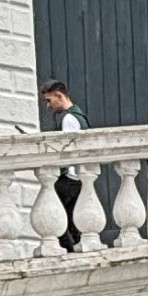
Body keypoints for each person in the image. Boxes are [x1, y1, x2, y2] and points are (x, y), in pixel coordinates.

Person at [40, 79, 87, 247]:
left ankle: (68, 250)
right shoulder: (79, 115)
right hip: (78, 177)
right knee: (73, 221)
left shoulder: (68, 119)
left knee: (55, 217)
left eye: (49, 100)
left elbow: (68, 151)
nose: (48, 106)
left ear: (59, 96)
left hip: (68, 177)